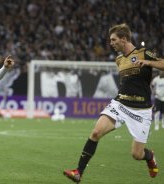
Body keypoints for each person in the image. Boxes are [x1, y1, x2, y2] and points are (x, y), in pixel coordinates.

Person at [63, 23, 164, 183]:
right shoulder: (119, 60)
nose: (111, 43)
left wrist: (150, 63)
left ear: (124, 39)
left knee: (136, 154)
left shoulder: (144, 53)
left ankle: (149, 156)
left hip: (141, 110)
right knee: (96, 133)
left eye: (113, 40)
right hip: (120, 104)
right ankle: (78, 172)